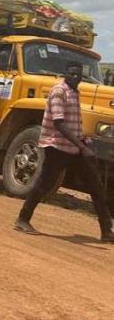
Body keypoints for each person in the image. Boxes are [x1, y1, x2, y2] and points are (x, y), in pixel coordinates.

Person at [14, 62, 114, 242]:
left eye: (77, 74)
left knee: (96, 186)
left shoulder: (75, 92)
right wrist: (83, 147)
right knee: (44, 184)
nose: (74, 77)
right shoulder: (58, 91)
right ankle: (22, 219)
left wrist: (83, 143)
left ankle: (107, 231)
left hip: (74, 147)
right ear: (65, 74)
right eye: (71, 74)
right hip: (57, 146)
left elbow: (73, 124)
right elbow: (59, 123)